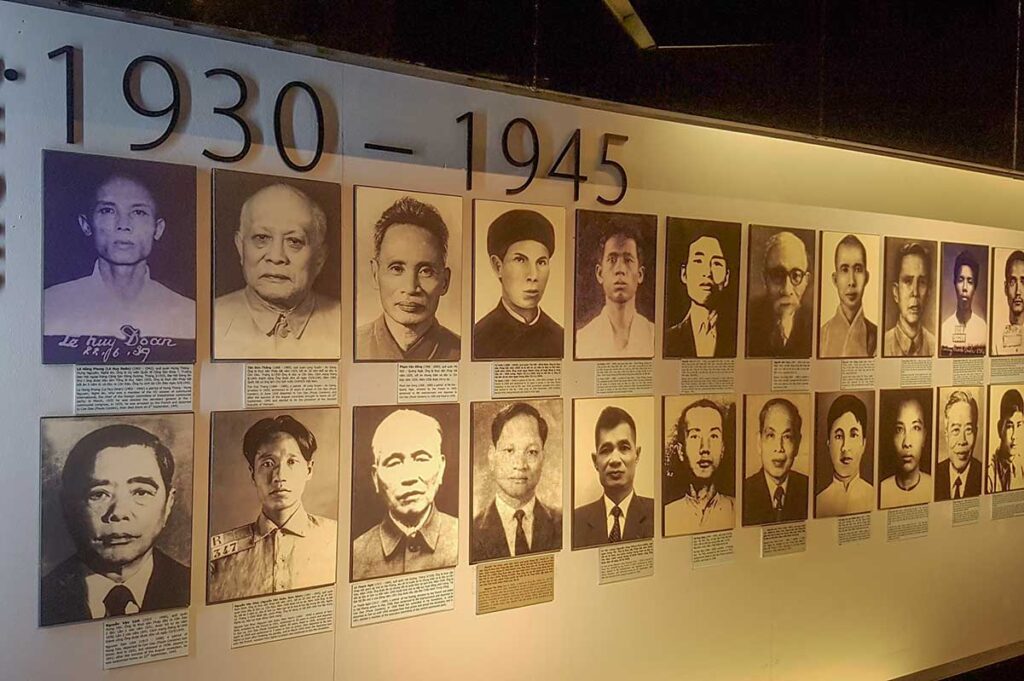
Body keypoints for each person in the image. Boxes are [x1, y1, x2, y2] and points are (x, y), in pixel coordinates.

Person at [40, 424, 189, 626]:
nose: (118, 513)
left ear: (168, 503)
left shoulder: (193, 585)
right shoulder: (41, 598)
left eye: (141, 492)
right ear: (69, 506)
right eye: (99, 494)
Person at [43, 173, 195, 340]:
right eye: (108, 211)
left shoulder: (188, 314)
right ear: (86, 225)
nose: (123, 225)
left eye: (138, 212)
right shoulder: (51, 305)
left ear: (158, 229)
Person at [208, 415, 336, 602]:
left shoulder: (336, 538)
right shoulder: (217, 554)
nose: (279, 476)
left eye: (291, 462)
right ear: (253, 473)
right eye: (267, 464)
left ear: (309, 470)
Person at [213, 183, 341, 359]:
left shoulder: (346, 322)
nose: (276, 257)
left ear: (319, 258)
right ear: (240, 247)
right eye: (261, 238)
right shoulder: (211, 318)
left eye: (294, 241)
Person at [351, 409, 458, 580]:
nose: (409, 477)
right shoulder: (355, 555)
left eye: (421, 459)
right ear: (375, 478)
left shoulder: (465, 538)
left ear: (441, 468)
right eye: (394, 463)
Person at [356, 197, 460, 361]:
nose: (411, 288)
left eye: (426, 271)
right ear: (375, 274)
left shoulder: (462, 350)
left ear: (445, 282)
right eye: (397, 269)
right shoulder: (352, 346)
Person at [471, 403, 561, 561]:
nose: (520, 465)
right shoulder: (471, 531)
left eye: (531, 452)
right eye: (509, 451)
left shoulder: (563, 523)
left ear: (543, 458)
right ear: (492, 457)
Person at [473, 210, 563, 359]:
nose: (533, 276)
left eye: (541, 262)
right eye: (520, 260)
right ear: (498, 266)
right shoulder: (478, 340)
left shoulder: (561, 338)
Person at [573, 406, 654, 548]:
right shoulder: (576, 521)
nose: (615, 460)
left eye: (624, 448)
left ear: (637, 455)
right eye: (606, 450)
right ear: (595, 461)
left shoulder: (658, 513)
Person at [575, 223, 654, 358]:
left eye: (628, 260)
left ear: (640, 274)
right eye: (612, 260)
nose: (620, 269)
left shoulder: (654, 336)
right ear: (600, 273)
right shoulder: (583, 339)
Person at [663, 399, 735, 535]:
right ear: (681, 451)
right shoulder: (667, 516)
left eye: (714, 436)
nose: (705, 448)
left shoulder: (736, 509)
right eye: (695, 436)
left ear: (722, 449)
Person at [664, 234, 736, 358]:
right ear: (684, 274)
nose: (707, 272)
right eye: (698, 261)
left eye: (717, 263)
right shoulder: (667, 339)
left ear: (727, 277)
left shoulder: (737, 337)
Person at [742, 398, 809, 525]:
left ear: (798, 444)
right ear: (759, 442)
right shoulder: (744, 492)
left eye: (787, 437)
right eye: (771, 435)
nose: (779, 447)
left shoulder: (809, 489)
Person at [747, 231, 813, 358]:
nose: (787, 290)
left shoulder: (816, 324)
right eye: (777, 275)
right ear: (765, 279)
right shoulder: (748, 319)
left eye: (796, 275)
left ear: (806, 280)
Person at [819, 235, 877, 358]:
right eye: (844, 270)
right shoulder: (820, 338)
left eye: (858, 269)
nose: (851, 281)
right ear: (835, 279)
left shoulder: (878, 337)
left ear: (866, 277)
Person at [815, 395, 873, 517]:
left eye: (853, 435)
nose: (845, 447)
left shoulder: (875, 496)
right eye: (838, 436)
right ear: (828, 443)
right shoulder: (818, 502)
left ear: (863, 443)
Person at [879, 395, 932, 507]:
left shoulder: (934, 487)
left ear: (924, 436)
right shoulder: (881, 491)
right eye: (899, 429)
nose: (907, 443)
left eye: (916, 428)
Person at [884, 242, 935, 357]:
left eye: (922, 282)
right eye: (908, 281)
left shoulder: (934, 346)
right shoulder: (882, 346)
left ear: (928, 293)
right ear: (896, 292)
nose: (915, 292)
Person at [935, 390, 982, 500]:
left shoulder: (985, 474)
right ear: (946, 435)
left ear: (976, 433)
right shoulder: (935, 475)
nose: (962, 441)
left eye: (968, 430)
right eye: (956, 430)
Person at [939, 250, 986, 357]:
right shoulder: (945, 328)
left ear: (975, 287)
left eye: (970, 281)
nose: (965, 288)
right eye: (961, 280)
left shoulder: (982, 328)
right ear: (954, 283)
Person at [988, 389, 1024, 493]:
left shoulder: (1022, 467)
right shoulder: (988, 471)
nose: (1014, 436)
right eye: (1009, 426)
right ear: (1000, 429)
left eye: (1019, 425)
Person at [993, 250, 1024, 356]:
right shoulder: (995, 341)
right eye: (1012, 282)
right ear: (1006, 288)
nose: (1018, 291)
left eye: (1023, 282)